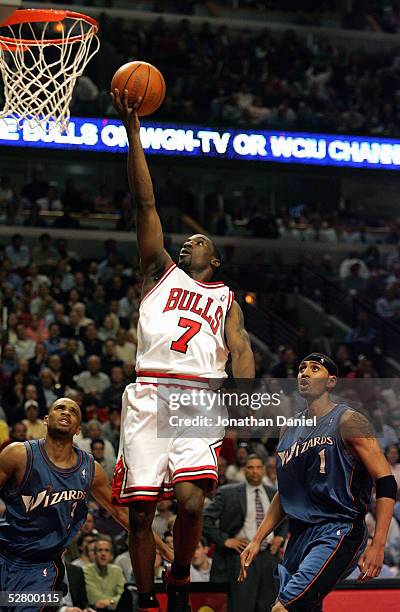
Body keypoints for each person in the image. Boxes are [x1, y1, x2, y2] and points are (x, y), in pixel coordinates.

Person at [110, 89, 255, 612]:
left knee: (193, 499)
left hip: (198, 399)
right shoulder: (157, 273)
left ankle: (178, 580)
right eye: (185, 239)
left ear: (214, 262)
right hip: (151, 394)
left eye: (199, 242)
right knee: (144, 512)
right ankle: (148, 599)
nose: (188, 242)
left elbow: (238, 348)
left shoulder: (224, 297)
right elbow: (144, 203)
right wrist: (133, 131)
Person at [239, 353, 397, 612]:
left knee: (283, 608)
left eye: (314, 368)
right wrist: (257, 539)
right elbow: (286, 493)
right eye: (302, 368)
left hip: (338, 528)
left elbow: (386, 481)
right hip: (299, 534)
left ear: (331, 381)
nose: (305, 373)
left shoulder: (349, 420)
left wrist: (379, 544)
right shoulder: (288, 429)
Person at [0, 398, 171, 609]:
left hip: (41, 568)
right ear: (46, 419)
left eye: (73, 411)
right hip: (4, 552)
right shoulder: (18, 454)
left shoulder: (90, 469)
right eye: (60, 408)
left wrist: (166, 551)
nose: (66, 413)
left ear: (79, 429)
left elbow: (123, 514)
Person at [204, 454, 286, 612]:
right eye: (250, 467)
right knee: (242, 607)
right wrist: (225, 540)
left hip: (269, 557)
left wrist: (280, 536)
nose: (255, 471)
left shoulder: (273, 493)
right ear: (244, 470)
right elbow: (204, 519)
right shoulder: (227, 492)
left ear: (264, 470)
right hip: (242, 556)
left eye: (258, 467)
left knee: (268, 607)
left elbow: (285, 518)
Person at [83, 538, 125, 609]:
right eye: (100, 550)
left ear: (111, 555)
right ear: (95, 554)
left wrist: (111, 601)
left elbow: (123, 595)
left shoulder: (117, 570)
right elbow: (92, 597)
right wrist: (115, 601)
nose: (103, 554)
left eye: (107, 550)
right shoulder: (86, 570)